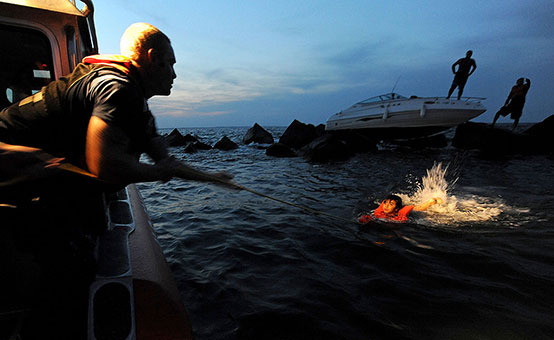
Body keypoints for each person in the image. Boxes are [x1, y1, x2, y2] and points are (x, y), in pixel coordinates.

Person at [0, 22, 230, 188]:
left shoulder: (138, 107)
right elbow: (104, 166)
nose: (175, 74)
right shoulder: (116, 89)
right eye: (170, 64)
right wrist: (156, 174)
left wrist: (212, 177)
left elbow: (166, 162)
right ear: (152, 58)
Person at [358, 194, 443, 223]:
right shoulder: (380, 210)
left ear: (396, 209)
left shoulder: (401, 212)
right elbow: (370, 217)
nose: (386, 206)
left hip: (406, 212)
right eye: (385, 203)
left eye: (390, 204)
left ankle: (432, 202)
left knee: (419, 208)